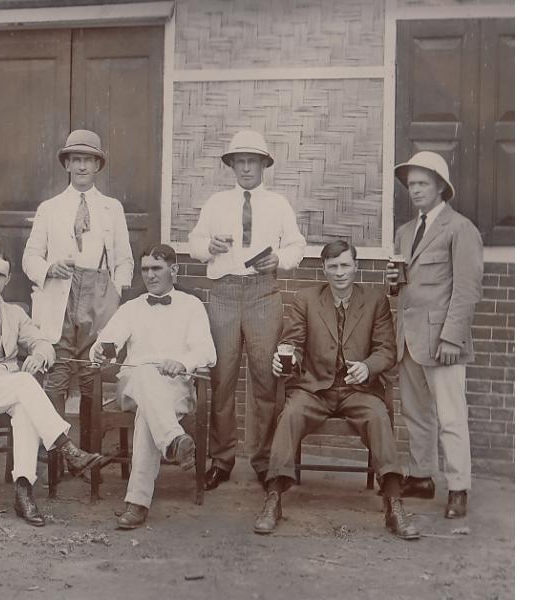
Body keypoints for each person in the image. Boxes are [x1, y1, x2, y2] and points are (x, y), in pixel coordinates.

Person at [254, 241, 419, 540]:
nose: (339, 272)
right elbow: (294, 343)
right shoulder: (306, 299)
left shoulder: (375, 301)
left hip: (357, 390)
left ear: (356, 266)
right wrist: (284, 360)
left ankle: (394, 503)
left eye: (345, 265)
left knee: (378, 416)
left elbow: (386, 349)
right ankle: (274, 498)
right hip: (315, 389)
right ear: (324, 269)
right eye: (333, 266)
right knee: (290, 414)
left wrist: (368, 367)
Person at [0, 251, 104, 526]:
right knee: (26, 384)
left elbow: (43, 342)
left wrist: (39, 355)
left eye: (2, 275)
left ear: (8, 279)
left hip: (13, 389)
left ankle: (23, 490)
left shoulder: (14, 313)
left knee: (25, 407)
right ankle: (67, 448)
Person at [188, 129, 306, 491]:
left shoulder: (278, 204)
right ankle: (221, 459)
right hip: (223, 293)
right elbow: (194, 245)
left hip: (262, 293)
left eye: (252, 161)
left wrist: (279, 258)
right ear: (231, 166)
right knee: (221, 378)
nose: (245, 168)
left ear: (263, 165)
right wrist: (211, 245)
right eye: (239, 161)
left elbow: (298, 245)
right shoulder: (216, 203)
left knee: (266, 378)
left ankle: (264, 459)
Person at [90, 244, 216, 529]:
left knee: (148, 414)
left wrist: (182, 363)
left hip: (175, 390)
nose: (150, 275)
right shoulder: (131, 308)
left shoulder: (191, 306)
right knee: (146, 374)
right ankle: (173, 438)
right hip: (133, 388)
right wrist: (98, 351)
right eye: (145, 269)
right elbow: (105, 344)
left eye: (156, 268)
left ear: (174, 270)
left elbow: (207, 352)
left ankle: (137, 502)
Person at [387, 151, 483, 519]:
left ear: (441, 187)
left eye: (422, 183)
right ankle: (422, 476)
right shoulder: (405, 232)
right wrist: (394, 286)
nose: (415, 190)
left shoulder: (461, 229)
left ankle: (458, 487)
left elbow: (467, 289)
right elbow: (405, 288)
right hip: (408, 340)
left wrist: (451, 338)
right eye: (411, 184)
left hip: (443, 341)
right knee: (416, 414)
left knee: (451, 416)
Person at [23, 129, 134, 445]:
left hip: (99, 292)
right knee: (57, 369)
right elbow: (30, 256)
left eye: (89, 160)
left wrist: (116, 290)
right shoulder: (50, 208)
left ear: (98, 165)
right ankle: (56, 449)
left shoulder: (112, 208)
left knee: (91, 373)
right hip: (61, 292)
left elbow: (125, 258)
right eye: (76, 160)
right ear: (67, 164)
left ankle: (89, 450)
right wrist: (48, 268)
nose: (82, 166)